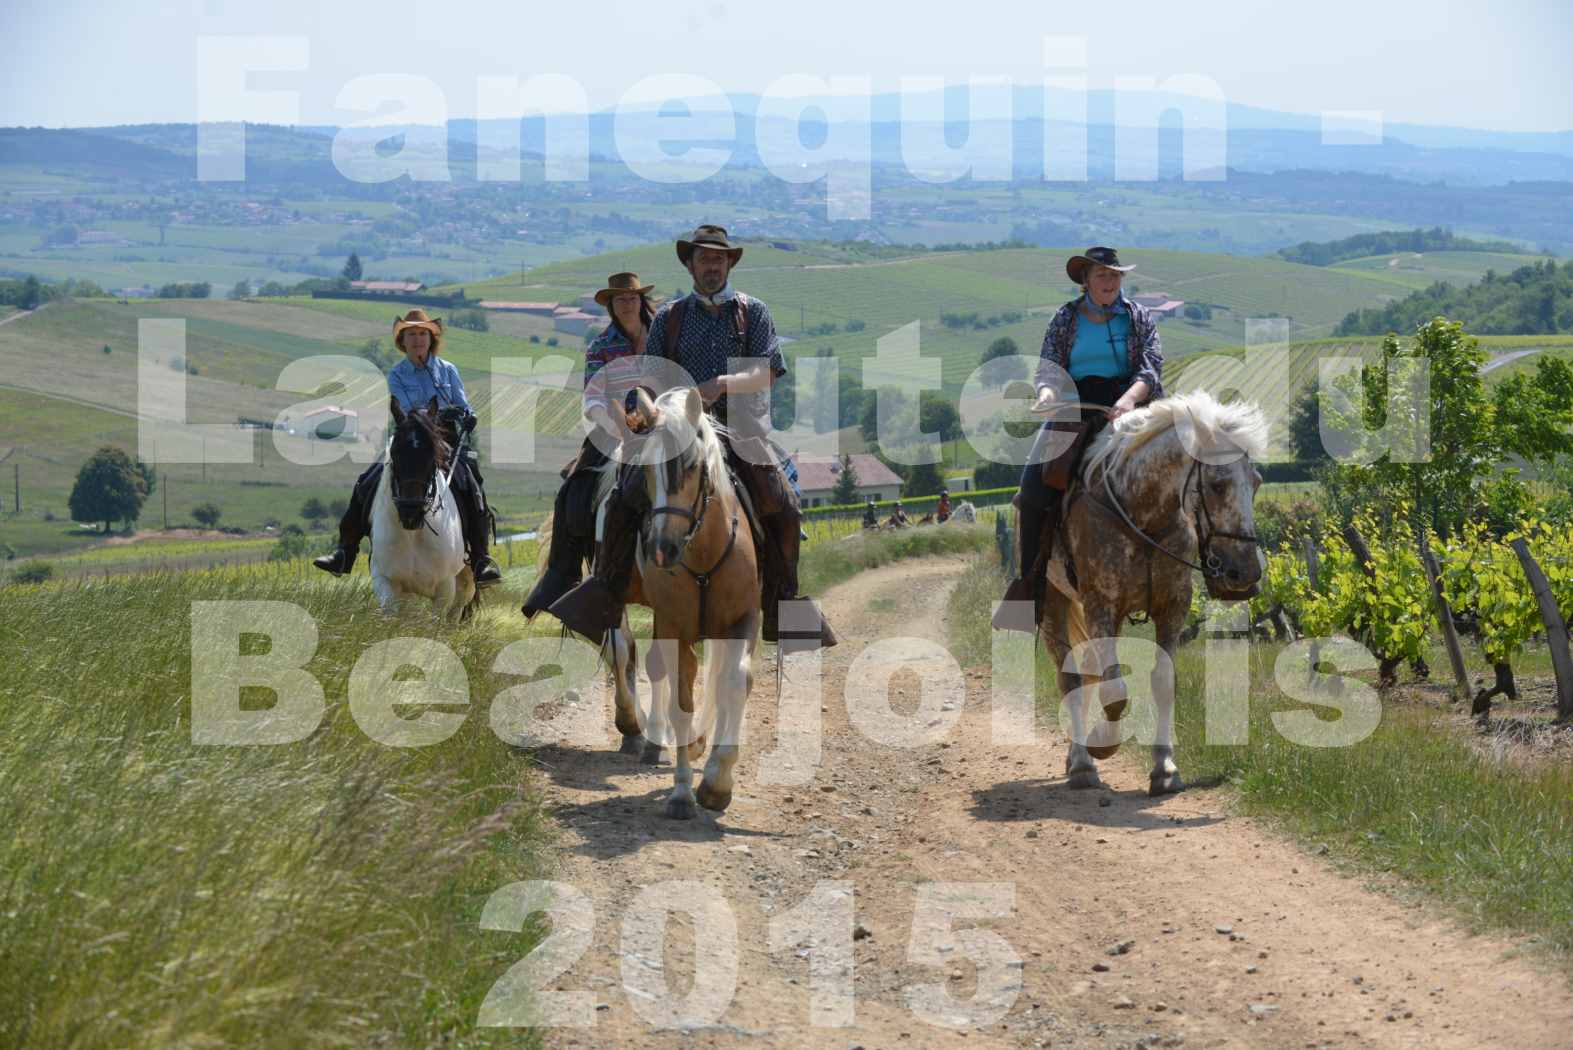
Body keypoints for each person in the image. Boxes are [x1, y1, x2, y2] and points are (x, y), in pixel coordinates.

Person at [545, 224, 836, 650]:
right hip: (679, 429)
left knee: (784, 506)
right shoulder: (670, 317)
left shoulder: (752, 311)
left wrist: (719, 383)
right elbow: (651, 376)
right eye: (704, 258)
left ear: (729, 263)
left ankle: (782, 604)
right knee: (625, 495)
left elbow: (767, 372)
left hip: (741, 430)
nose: (712, 266)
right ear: (690, 264)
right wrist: (647, 411)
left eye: (719, 259)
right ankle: (606, 592)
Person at [995, 246, 1163, 631]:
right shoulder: (1066, 318)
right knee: (1033, 488)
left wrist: (1126, 401)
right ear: (1085, 280)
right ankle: (1030, 590)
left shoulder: (1139, 318)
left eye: (1115, 275)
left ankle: (1191, 577)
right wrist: (1046, 396)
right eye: (1102, 275)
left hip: (1131, 409)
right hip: (1074, 408)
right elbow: (1050, 368)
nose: (1109, 282)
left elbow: (1150, 368)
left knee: (1186, 473)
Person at [313, 309, 501, 584]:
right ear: (403, 340)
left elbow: (463, 404)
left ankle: (481, 559)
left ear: (430, 339)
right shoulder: (397, 374)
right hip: (409, 437)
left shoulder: (448, 370)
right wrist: (432, 414)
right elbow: (403, 409)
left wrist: (466, 415)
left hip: (445, 440)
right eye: (411, 334)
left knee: (472, 485)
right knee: (366, 481)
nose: (417, 340)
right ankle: (345, 552)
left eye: (422, 334)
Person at [522, 272, 656, 617]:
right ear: (611, 305)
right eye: (619, 298)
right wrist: (615, 424)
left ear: (641, 300)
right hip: (615, 430)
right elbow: (593, 397)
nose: (627, 303)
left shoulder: (663, 335)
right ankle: (561, 576)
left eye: (632, 296)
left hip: (664, 427)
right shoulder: (600, 346)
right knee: (572, 490)